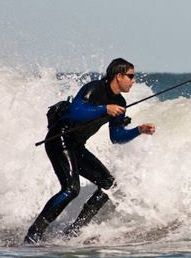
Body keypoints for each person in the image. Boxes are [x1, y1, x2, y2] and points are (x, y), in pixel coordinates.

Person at [24, 58, 156, 244]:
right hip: (59, 139)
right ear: (118, 76)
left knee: (109, 184)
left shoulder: (120, 102)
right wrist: (104, 109)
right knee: (71, 189)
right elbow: (76, 111)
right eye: (131, 76)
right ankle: (33, 235)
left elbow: (116, 136)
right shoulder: (94, 88)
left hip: (77, 146)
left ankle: (75, 231)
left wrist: (138, 130)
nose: (133, 80)